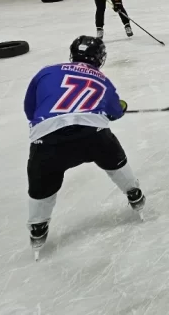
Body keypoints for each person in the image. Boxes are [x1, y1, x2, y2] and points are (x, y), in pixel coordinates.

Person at [25, 35, 145, 258]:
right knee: (113, 157)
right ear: (99, 58)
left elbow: (30, 108)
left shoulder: (46, 71)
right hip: (92, 135)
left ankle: (38, 226)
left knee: (42, 187)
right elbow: (114, 113)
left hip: (48, 139)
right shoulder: (102, 79)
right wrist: (117, 109)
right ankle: (134, 193)